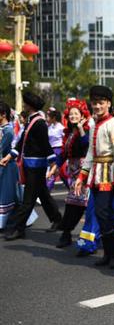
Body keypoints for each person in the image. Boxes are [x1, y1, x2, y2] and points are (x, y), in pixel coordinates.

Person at [73, 85, 114, 269]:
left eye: (101, 102)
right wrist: (81, 176)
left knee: (104, 213)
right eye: (94, 103)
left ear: (109, 104)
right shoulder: (94, 124)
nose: (97, 106)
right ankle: (109, 252)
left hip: (109, 174)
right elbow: (90, 152)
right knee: (101, 213)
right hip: (96, 174)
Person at [2, 91, 62, 240]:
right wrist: (9, 156)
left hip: (36, 166)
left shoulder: (39, 123)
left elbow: (45, 145)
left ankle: (19, 228)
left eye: (25, 103)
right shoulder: (32, 120)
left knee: (28, 200)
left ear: (30, 106)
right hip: (30, 165)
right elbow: (22, 142)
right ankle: (57, 219)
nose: (24, 105)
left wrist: (53, 164)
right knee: (43, 194)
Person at [55, 99, 91, 248]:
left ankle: (113, 235)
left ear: (83, 115)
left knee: (84, 204)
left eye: (76, 113)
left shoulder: (87, 130)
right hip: (74, 172)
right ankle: (66, 233)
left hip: (85, 171)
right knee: (73, 203)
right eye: (71, 114)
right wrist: (54, 167)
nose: (73, 116)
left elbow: (86, 145)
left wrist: (81, 129)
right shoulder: (70, 132)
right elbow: (64, 153)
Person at [0, 102, 22, 230]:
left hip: (6, 167)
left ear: (3, 114)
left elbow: (1, 149)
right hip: (3, 165)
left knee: (7, 195)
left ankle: (9, 222)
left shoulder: (8, 130)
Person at [46, 107, 65, 191]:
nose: (47, 118)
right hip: (50, 150)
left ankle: (47, 189)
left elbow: (65, 138)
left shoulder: (61, 128)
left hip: (58, 150)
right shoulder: (50, 127)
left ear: (53, 118)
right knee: (53, 170)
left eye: (48, 117)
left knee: (54, 170)